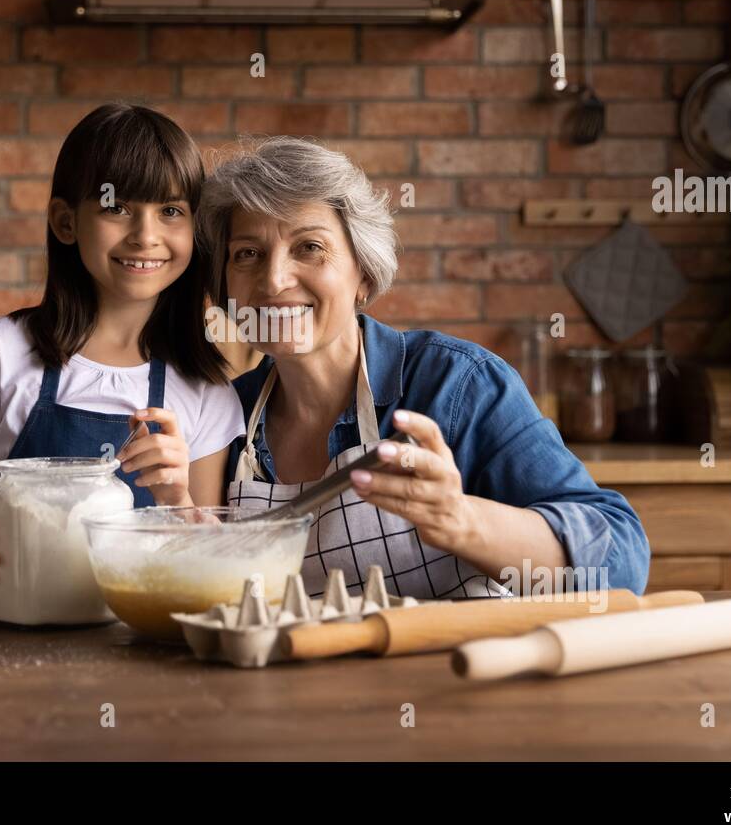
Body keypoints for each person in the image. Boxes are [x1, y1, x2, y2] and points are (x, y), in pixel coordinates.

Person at [199, 137, 650, 599]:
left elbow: (621, 560)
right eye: (247, 254)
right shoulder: (225, 414)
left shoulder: (456, 385)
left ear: (364, 275)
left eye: (309, 247)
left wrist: (461, 520)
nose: (274, 279)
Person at [0, 104, 244, 601]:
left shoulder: (205, 387)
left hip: (143, 648)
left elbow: (203, 563)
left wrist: (175, 497)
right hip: (13, 633)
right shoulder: (4, 350)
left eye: (171, 211)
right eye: (117, 207)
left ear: (195, 230)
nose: (145, 235)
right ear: (66, 221)